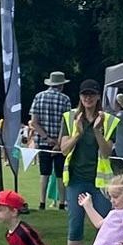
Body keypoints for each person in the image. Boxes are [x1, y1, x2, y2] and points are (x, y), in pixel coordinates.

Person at [59, 79, 120, 245]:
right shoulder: (70, 118)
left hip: (100, 182)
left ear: (98, 96)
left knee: (105, 227)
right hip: (76, 180)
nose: (88, 98)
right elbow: (64, 149)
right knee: (75, 226)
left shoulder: (109, 121)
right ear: (80, 96)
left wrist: (97, 131)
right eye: (85, 94)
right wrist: (77, 134)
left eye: (92, 94)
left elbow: (107, 152)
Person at [31, 72, 71, 211]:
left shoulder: (38, 97)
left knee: (44, 174)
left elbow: (34, 122)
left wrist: (46, 138)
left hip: (43, 142)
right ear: (61, 85)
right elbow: (66, 123)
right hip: (60, 143)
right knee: (60, 174)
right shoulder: (65, 99)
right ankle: (62, 203)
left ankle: (42, 202)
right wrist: (58, 143)